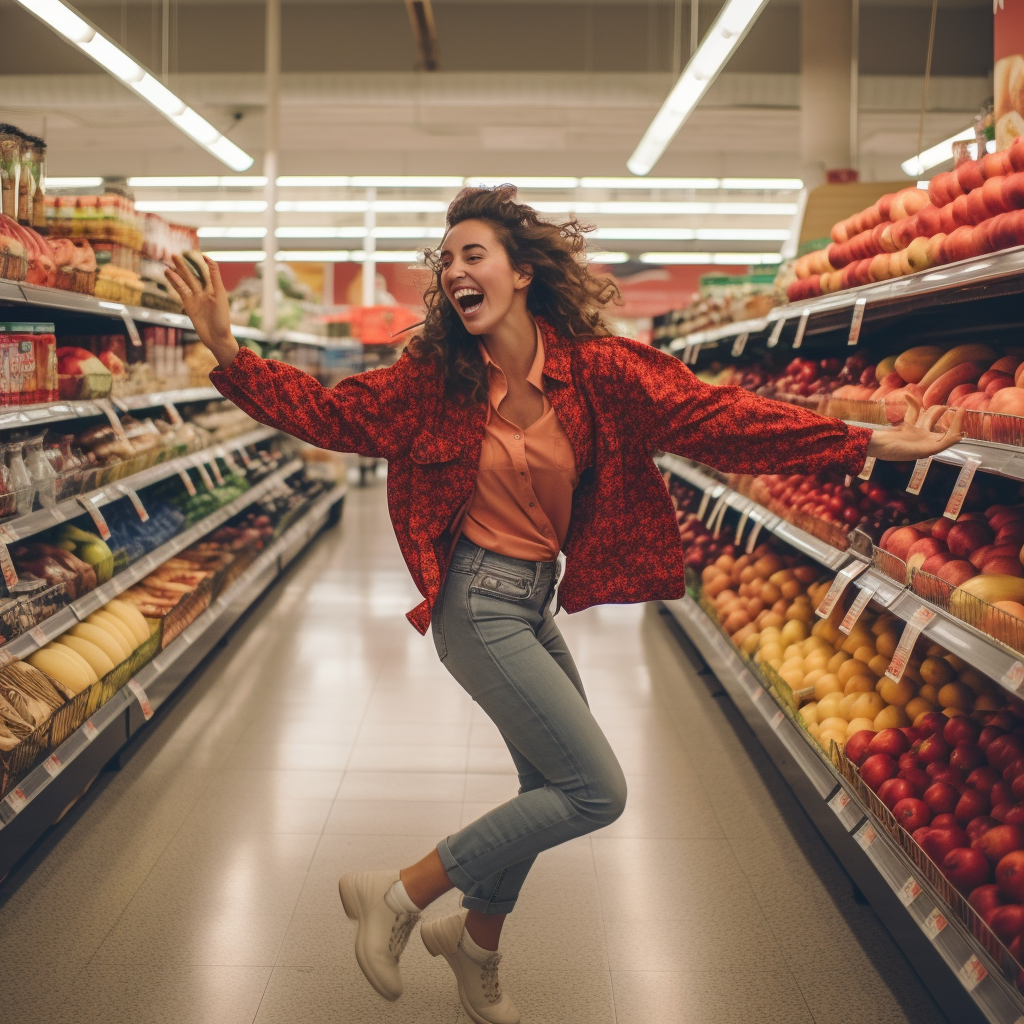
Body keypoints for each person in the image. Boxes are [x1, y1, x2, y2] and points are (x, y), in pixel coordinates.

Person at [166, 185, 964, 1024]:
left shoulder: (602, 373)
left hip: (532, 597)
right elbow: (329, 413)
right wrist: (227, 352)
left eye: (473, 254)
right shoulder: (432, 383)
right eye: (446, 261)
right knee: (596, 791)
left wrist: (868, 442)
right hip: (474, 603)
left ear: (521, 272)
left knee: (544, 780)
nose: (455, 271)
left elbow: (718, 417)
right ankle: (399, 895)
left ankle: (473, 947)